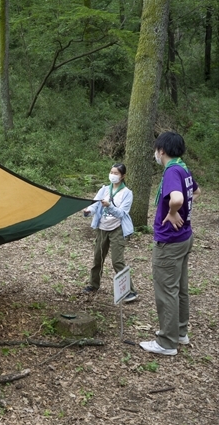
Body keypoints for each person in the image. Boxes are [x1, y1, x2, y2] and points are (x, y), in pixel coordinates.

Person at [140, 132, 201, 356]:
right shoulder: (183, 168)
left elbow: (177, 198)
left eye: (156, 150)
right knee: (180, 288)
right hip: (185, 237)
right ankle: (180, 332)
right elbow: (196, 191)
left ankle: (167, 342)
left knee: (166, 290)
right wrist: (182, 211)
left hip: (170, 240)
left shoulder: (172, 171)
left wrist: (175, 211)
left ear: (161, 150)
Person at [82, 163, 137, 302]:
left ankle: (130, 291)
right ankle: (93, 285)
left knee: (117, 261)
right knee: (97, 258)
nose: (113, 175)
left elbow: (122, 213)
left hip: (117, 229)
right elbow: (95, 204)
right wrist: (89, 211)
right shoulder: (104, 189)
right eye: (111, 172)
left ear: (123, 176)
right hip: (102, 227)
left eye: (116, 173)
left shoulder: (127, 193)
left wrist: (110, 206)